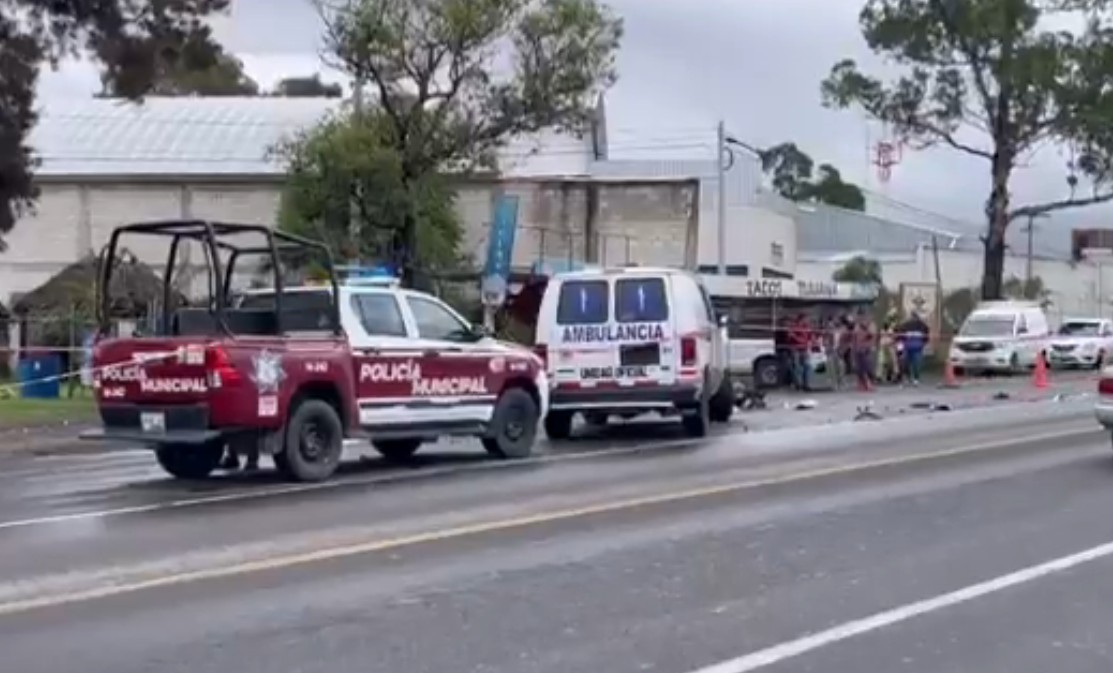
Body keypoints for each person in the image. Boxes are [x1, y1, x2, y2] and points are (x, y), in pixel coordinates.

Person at [899, 311, 930, 385]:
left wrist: (923, 343)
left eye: (914, 317)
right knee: (907, 363)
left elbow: (926, 336)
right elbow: (901, 336)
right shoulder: (906, 325)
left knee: (915, 364)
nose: (913, 319)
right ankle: (910, 378)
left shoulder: (922, 326)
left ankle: (915, 378)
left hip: (916, 348)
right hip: (909, 347)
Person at [787, 314, 813, 391]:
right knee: (796, 366)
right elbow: (790, 337)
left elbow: (809, 337)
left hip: (804, 348)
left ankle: (806, 384)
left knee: (806, 366)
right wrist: (799, 339)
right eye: (806, 319)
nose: (807, 321)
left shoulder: (807, 327)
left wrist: (809, 342)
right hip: (796, 349)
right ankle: (798, 383)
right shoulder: (794, 327)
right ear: (801, 319)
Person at [852, 313, 875, 391]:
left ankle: (867, 384)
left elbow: (871, 336)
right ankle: (863, 385)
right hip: (859, 350)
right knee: (861, 368)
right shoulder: (857, 328)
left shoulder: (869, 327)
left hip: (865, 349)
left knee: (866, 367)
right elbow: (855, 339)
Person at [823, 315, 845, 389]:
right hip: (831, 349)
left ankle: (840, 381)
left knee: (841, 366)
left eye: (837, 320)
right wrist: (827, 348)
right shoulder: (829, 331)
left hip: (839, 350)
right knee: (831, 365)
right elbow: (826, 340)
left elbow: (846, 341)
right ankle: (833, 382)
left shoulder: (843, 330)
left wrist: (843, 349)